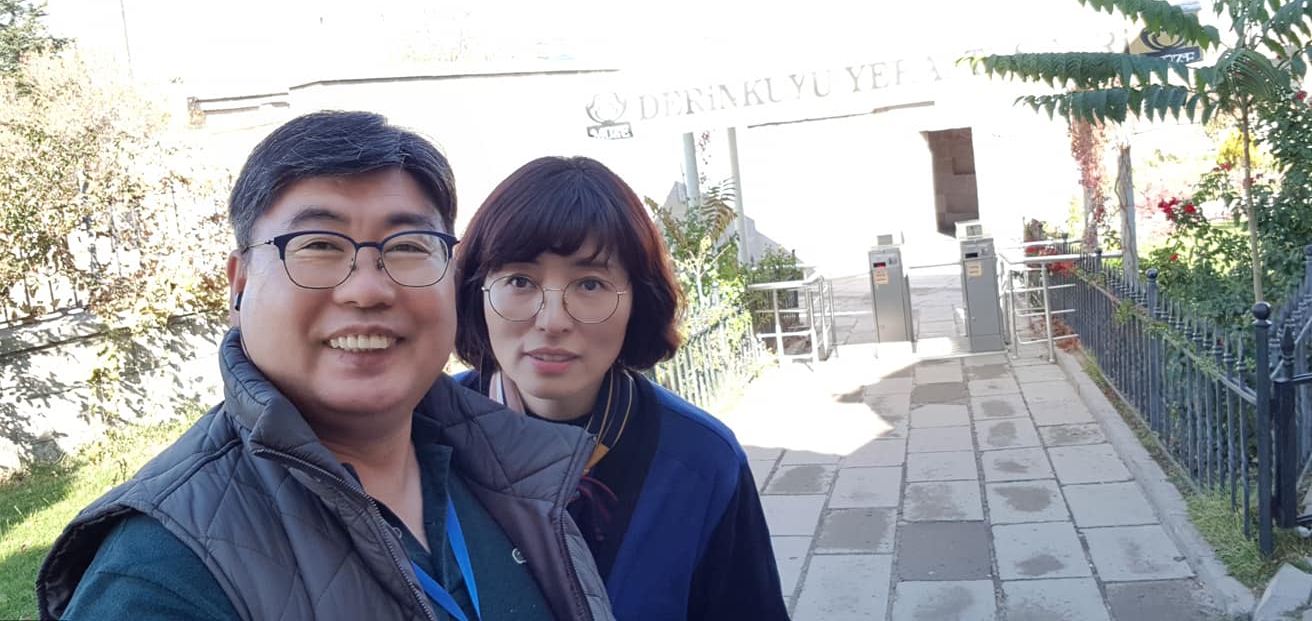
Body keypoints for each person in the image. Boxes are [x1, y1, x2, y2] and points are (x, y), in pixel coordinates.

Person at [37, 112, 614, 621]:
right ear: (239, 284)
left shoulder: (515, 472)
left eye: (408, 246)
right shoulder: (161, 575)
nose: (368, 289)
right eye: (319, 245)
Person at [453, 156, 789, 620]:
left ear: (638, 300)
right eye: (519, 280)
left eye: (590, 284)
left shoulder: (701, 460)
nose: (552, 320)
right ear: (477, 291)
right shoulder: (424, 436)